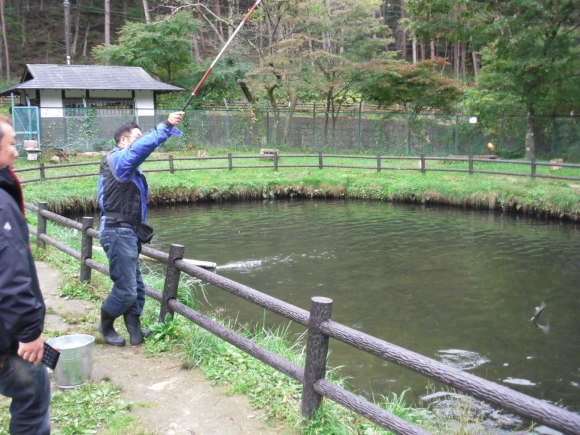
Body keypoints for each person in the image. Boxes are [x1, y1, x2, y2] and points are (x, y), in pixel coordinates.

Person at [98, 111, 184, 347]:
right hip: (117, 232)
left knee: (136, 287)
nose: (142, 138)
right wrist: (165, 126)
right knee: (126, 290)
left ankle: (135, 333)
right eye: (137, 136)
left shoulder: (126, 166)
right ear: (123, 141)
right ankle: (105, 326)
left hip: (127, 233)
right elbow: (140, 150)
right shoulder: (118, 160)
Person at [0, 115, 51, 434]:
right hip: (8, 337)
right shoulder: (2, 206)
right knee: (32, 396)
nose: (16, 151)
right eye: (12, 144)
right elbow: (11, 276)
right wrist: (30, 332)